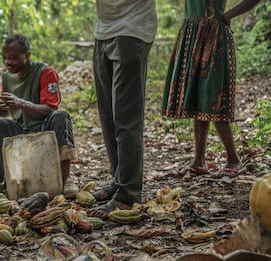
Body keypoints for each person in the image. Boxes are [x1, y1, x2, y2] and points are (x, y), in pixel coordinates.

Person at [162, 0, 261, 177]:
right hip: (192, 34)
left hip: (215, 35)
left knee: (212, 96)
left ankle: (234, 159)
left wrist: (227, 15)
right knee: (198, 96)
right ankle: (198, 161)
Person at [89, 1, 158, 218]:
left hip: (132, 29)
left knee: (126, 118)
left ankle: (127, 194)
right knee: (108, 117)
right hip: (104, 30)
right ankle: (119, 179)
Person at [0, 33, 75, 194]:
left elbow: (50, 110)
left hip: (43, 129)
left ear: (27, 55)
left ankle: (65, 180)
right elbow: (8, 112)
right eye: (4, 57)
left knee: (62, 116)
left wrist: (21, 103)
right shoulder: (7, 77)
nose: (8, 62)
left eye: (13, 57)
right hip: (21, 129)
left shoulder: (45, 72)